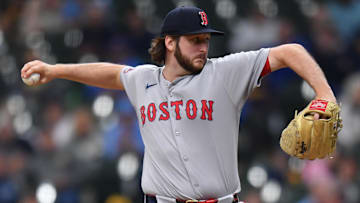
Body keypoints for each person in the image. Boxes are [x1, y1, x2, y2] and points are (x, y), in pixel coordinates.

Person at [21, 6, 337, 203]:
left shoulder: (225, 72)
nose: (203, 46)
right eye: (195, 40)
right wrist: (55, 70)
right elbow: (110, 73)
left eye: (206, 40)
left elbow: (289, 52)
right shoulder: (144, 79)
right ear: (170, 42)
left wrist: (324, 94)